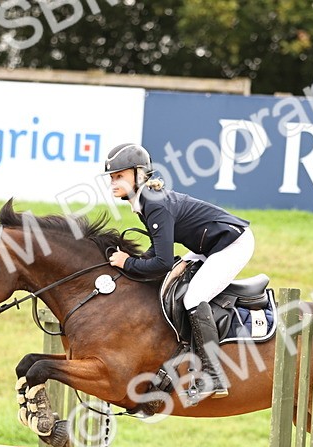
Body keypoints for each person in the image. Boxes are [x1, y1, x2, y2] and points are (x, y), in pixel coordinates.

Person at [104, 142, 254, 405]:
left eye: (119, 176)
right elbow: (157, 250)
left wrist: (127, 264)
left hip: (232, 244)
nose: (113, 183)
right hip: (207, 245)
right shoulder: (145, 201)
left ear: (139, 174)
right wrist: (135, 261)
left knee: (193, 298)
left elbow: (162, 263)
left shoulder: (153, 204)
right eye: (111, 177)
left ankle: (213, 376)